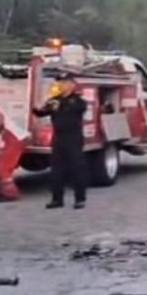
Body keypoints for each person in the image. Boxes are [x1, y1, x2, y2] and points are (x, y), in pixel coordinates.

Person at [32, 74, 88, 210]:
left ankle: (80, 199)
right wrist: (35, 107)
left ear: (72, 85)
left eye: (65, 83)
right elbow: (40, 113)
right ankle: (57, 199)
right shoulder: (54, 100)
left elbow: (79, 109)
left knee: (77, 168)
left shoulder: (78, 101)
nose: (62, 85)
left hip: (73, 138)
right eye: (60, 83)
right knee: (56, 170)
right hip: (58, 138)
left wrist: (60, 104)